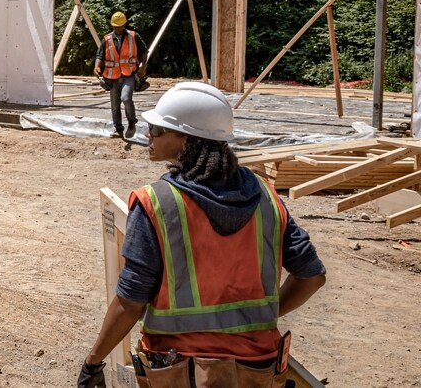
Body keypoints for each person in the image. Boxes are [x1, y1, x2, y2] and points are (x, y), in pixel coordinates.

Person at [78, 83, 327, 388]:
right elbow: (311, 276)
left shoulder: (157, 203)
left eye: (157, 130)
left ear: (188, 139)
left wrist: (93, 361)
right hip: (258, 366)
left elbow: (131, 302)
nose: (147, 135)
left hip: (178, 369)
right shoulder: (266, 196)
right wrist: (260, 317)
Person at [94, 12, 148, 138]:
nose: (116, 29)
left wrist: (143, 66)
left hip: (129, 74)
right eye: (114, 26)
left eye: (119, 26)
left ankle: (132, 123)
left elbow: (144, 52)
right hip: (112, 76)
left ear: (124, 25)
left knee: (126, 98)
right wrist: (97, 66)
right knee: (115, 105)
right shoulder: (107, 39)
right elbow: (99, 55)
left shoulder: (134, 36)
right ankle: (118, 129)